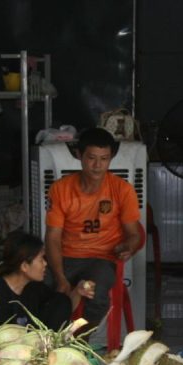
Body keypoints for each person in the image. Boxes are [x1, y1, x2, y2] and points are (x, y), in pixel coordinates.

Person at [45, 127, 143, 330]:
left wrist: (128, 247)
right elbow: (53, 238)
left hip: (102, 260)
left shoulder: (123, 190)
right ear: (79, 155)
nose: (98, 166)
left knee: (96, 295)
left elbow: (134, 234)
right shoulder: (60, 189)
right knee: (39, 287)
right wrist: (61, 278)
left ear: (111, 158)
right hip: (66, 257)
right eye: (91, 158)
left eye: (104, 159)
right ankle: (47, 341)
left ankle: (81, 338)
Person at [0, 232, 91, 328]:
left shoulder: (35, 289)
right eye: (41, 259)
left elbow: (62, 311)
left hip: (33, 346)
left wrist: (77, 292)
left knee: (61, 300)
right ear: (25, 266)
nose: (45, 264)